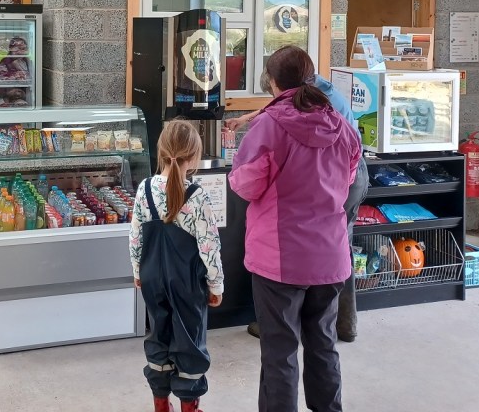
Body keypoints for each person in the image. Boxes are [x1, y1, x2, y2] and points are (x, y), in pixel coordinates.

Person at [229, 47, 360, 412]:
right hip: (330, 258)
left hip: (279, 260)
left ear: (272, 82)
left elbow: (246, 185)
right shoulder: (342, 126)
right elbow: (346, 181)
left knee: (280, 352)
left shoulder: (269, 126)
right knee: (323, 346)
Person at [130, 119, 224, 412]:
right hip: (186, 283)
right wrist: (216, 285)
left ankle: (160, 404)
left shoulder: (144, 189)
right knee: (189, 342)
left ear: (161, 152)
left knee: (159, 335)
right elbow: (209, 247)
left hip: (153, 278)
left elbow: (135, 237)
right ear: (194, 157)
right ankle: (189, 406)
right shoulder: (197, 196)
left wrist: (137, 272)